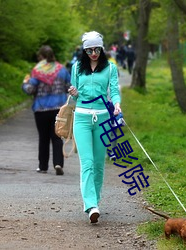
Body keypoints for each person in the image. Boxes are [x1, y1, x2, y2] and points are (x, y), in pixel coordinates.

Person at [68, 31, 121, 223]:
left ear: (102, 48)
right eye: (89, 50)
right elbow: (74, 96)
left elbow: (114, 90)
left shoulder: (110, 68)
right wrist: (73, 92)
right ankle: (90, 205)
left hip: (103, 118)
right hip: (81, 118)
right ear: (84, 50)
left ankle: (95, 202)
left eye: (97, 49)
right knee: (87, 163)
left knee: (99, 164)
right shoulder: (76, 68)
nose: (93, 53)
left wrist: (116, 104)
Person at [22, 45, 71, 175]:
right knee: (57, 137)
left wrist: (25, 83)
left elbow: (30, 90)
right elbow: (69, 87)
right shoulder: (62, 70)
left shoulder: (37, 71)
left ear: (41, 57)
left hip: (41, 109)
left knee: (43, 138)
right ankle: (58, 163)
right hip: (58, 109)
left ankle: (43, 166)